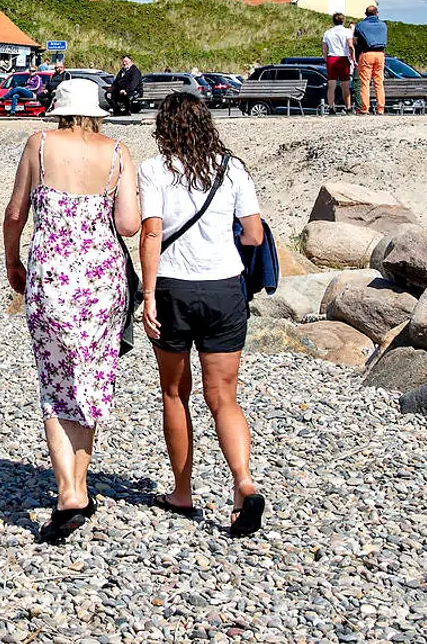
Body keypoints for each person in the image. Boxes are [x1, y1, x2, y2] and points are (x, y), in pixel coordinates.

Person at [3, 80, 141, 544]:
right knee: (90, 380)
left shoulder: (39, 144)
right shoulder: (118, 151)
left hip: (52, 277)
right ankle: (77, 487)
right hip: (103, 282)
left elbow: (15, 212)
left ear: (60, 109)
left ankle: (70, 492)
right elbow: (128, 224)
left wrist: (12, 261)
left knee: (56, 382)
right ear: (98, 112)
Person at [138, 92, 267, 539]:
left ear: (164, 128)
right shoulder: (233, 169)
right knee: (224, 397)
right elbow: (253, 235)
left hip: (173, 288)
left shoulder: (154, 169)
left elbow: (150, 233)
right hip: (224, 288)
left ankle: (182, 492)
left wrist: (148, 296)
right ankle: (244, 484)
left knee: (175, 394)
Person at [354, 5, 387, 114]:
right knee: (379, 82)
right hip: (380, 54)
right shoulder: (383, 25)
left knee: (365, 83)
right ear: (377, 13)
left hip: (367, 54)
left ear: (366, 14)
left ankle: (365, 108)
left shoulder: (360, 25)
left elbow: (356, 40)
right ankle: (380, 108)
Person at [323, 12, 353, 113]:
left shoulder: (328, 32)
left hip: (332, 58)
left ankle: (331, 106)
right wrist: (352, 57)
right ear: (343, 21)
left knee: (331, 85)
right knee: (345, 85)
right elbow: (350, 46)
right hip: (343, 58)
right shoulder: (347, 32)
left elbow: (324, 49)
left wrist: (326, 59)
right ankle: (348, 107)